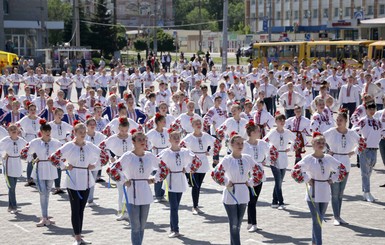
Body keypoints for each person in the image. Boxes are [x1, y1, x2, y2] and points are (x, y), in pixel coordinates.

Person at [107, 130, 169, 245]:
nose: (142, 142)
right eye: (139, 140)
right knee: (135, 226)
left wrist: (154, 179)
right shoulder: (128, 156)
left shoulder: (150, 156)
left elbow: (164, 168)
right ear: (133, 142)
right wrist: (124, 181)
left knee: (142, 225)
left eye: (144, 139)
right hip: (132, 191)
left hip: (145, 191)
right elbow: (112, 169)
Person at [49, 122, 102, 245]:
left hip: (87, 181)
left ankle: (80, 236)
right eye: (80, 132)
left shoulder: (90, 145)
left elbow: (104, 155)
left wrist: (95, 165)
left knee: (81, 210)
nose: (83, 134)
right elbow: (53, 157)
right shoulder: (69, 146)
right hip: (73, 181)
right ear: (75, 133)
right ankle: (77, 237)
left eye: (84, 132)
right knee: (75, 209)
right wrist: (64, 165)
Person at [292, 132, 348, 245]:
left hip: (325, 191)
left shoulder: (328, 158)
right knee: (317, 220)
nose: (321, 144)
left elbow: (342, 169)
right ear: (313, 144)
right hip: (313, 192)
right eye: (318, 142)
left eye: (323, 143)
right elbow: (296, 170)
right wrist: (307, 178)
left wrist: (333, 178)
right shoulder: (309, 158)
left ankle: (314, 242)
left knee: (319, 220)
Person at [211, 133, 264, 245]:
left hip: (243, 193)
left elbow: (259, 171)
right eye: (237, 143)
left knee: (238, 225)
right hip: (231, 193)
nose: (240, 145)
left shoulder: (247, 158)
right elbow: (215, 173)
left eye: (241, 143)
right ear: (231, 145)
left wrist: (251, 182)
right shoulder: (227, 159)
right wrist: (226, 182)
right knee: (234, 225)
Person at [158, 129, 202, 238]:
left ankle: (173, 228)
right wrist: (164, 171)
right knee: (173, 206)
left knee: (176, 206)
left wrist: (187, 169)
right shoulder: (166, 152)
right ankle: (175, 229)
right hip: (171, 180)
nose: (177, 139)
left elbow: (197, 161)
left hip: (180, 179)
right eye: (174, 138)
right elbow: (156, 161)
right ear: (169, 140)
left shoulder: (185, 151)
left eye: (178, 137)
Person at [20, 119, 62, 226]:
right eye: (45, 131)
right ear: (41, 132)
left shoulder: (55, 142)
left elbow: (62, 152)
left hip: (51, 168)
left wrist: (61, 163)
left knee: (47, 193)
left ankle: (46, 216)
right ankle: (44, 217)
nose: (47, 133)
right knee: (42, 192)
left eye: (49, 131)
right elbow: (25, 151)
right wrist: (30, 157)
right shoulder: (36, 142)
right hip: (40, 168)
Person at [324, 109, 362, 225]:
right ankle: (336, 217)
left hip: (345, 163)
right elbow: (318, 139)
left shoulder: (351, 133)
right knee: (334, 193)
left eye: (341, 120)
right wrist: (327, 151)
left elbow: (362, 143)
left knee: (341, 193)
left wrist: (353, 152)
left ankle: (339, 216)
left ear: (346, 121)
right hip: (334, 162)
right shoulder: (331, 131)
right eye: (337, 120)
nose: (338, 122)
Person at [181, 118, 217, 214]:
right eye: (196, 123)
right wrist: (189, 155)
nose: (198, 125)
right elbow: (181, 146)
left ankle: (196, 205)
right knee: (195, 185)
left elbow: (216, 143)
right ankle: (195, 206)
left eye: (199, 123)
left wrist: (210, 152)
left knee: (199, 185)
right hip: (194, 162)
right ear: (192, 125)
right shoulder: (189, 137)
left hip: (204, 162)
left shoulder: (205, 136)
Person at [101, 117, 133, 221]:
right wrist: (111, 156)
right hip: (119, 165)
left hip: (129, 164)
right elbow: (102, 146)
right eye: (122, 130)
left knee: (129, 188)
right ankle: (121, 211)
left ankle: (129, 210)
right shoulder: (113, 138)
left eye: (125, 130)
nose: (124, 133)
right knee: (120, 189)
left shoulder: (131, 137)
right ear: (118, 128)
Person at [352, 102, 385, 202]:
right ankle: (367, 192)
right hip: (365, 149)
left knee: (369, 172)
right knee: (365, 172)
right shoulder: (363, 121)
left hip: (374, 149)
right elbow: (354, 131)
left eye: (373, 109)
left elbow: (382, 132)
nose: (372, 111)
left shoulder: (377, 121)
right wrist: (360, 141)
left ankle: (365, 192)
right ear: (366, 110)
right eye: (369, 109)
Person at [264, 113, 296, 209]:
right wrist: (271, 149)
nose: (282, 122)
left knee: (279, 181)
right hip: (274, 158)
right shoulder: (272, 132)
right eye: (279, 120)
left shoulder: (287, 132)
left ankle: (274, 201)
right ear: (276, 122)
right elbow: (264, 142)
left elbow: (296, 140)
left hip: (283, 156)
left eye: (283, 120)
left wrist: (290, 148)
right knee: (278, 180)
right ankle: (281, 202)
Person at [242, 121, 268, 232]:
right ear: (252, 133)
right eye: (257, 131)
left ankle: (249, 222)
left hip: (260, 174)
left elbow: (271, 153)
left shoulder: (262, 143)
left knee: (253, 200)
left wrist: (266, 161)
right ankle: (254, 224)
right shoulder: (244, 144)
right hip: (249, 175)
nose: (259, 132)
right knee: (251, 200)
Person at [0, 124, 28, 214]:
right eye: (11, 130)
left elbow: (28, 147)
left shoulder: (21, 140)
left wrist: (26, 155)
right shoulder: (5, 140)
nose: (13, 131)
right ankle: (14, 206)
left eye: (15, 129)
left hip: (17, 163)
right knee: (11, 187)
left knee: (13, 187)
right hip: (9, 164)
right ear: (8, 132)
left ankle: (10, 206)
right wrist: (4, 155)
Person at [146, 113, 170, 202]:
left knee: (165, 173)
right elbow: (145, 140)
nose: (165, 122)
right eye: (163, 121)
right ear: (158, 122)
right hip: (157, 153)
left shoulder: (166, 131)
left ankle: (162, 194)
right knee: (158, 173)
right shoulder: (152, 132)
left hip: (166, 153)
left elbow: (170, 140)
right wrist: (150, 146)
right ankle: (157, 195)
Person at [17, 102, 40, 187]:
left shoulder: (39, 119)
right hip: (28, 139)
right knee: (30, 160)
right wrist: (21, 133)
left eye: (34, 109)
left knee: (38, 159)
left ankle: (37, 177)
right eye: (31, 110)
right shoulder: (25, 119)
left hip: (37, 139)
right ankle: (29, 179)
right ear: (28, 110)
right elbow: (17, 125)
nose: (33, 111)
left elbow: (45, 127)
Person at [85, 117, 106, 207]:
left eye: (94, 124)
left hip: (96, 162)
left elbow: (105, 144)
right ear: (87, 126)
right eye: (91, 124)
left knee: (92, 181)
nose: (93, 126)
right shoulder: (84, 135)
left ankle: (90, 199)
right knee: (86, 181)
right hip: (86, 162)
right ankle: (85, 198)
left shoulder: (99, 135)